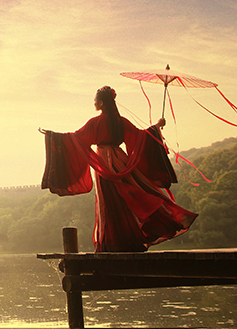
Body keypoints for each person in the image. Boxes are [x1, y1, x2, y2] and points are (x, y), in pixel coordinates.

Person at [39, 86, 197, 252]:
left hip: (103, 164)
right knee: (128, 197)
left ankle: (111, 242)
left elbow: (74, 139)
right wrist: (157, 126)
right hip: (121, 160)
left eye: (95, 100)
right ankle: (132, 238)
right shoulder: (121, 122)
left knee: (109, 202)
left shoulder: (95, 122)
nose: (94, 103)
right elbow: (142, 137)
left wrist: (52, 136)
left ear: (101, 102)